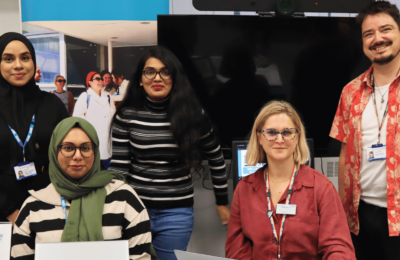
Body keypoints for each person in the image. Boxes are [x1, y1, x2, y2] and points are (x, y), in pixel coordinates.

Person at [110, 46, 229, 260]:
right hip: (135, 209)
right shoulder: (126, 116)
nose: (157, 78)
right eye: (150, 72)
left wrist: (222, 202)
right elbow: (119, 168)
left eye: (165, 72)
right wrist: (112, 206)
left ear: (174, 78)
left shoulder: (193, 116)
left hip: (176, 214)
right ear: (140, 79)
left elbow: (217, 158)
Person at [226, 101, 355, 260]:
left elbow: (338, 248)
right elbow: (236, 250)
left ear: (297, 137)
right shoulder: (244, 189)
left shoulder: (322, 188)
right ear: (259, 137)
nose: (279, 139)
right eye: (271, 132)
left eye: (287, 132)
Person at [10, 117, 152, 260]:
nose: (77, 156)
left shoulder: (123, 197)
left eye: (85, 148)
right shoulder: (33, 206)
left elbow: (141, 256)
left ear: (95, 151)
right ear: (54, 151)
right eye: (68, 148)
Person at [330, 1, 400, 259]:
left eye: (385, 29)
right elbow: (344, 154)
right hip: (360, 218)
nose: (377, 39)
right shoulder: (350, 92)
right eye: (368, 34)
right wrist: (341, 212)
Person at [0, 32, 69, 226]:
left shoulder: (52, 104)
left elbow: (69, 154)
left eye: (25, 57)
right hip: (3, 211)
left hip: (49, 202)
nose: (18, 65)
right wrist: (9, 211)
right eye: (8, 59)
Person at [73, 72, 115, 169]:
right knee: (93, 168)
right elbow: (77, 118)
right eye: (97, 79)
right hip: (92, 139)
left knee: (107, 170)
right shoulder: (85, 96)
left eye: (101, 79)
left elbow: (113, 115)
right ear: (90, 82)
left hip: (107, 140)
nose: (100, 81)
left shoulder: (108, 96)